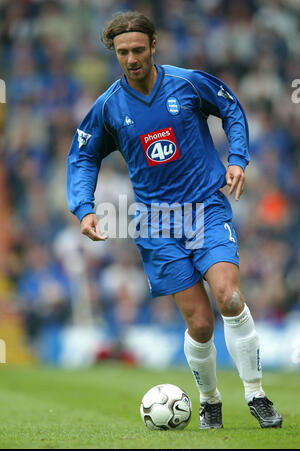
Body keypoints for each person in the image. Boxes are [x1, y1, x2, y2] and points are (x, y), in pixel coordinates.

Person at [66, 11, 282, 429]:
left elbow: (232, 108)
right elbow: (82, 156)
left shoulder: (186, 82)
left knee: (229, 298)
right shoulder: (109, 106)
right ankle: (209, 400)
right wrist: (85, 208)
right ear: (115, 52)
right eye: (123, 52)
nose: (131, 59)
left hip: (206, 207)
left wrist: (237, 159)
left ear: (154, 45)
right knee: (200, 325)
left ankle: (256, 394)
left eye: (138, 50)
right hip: (157, 224)